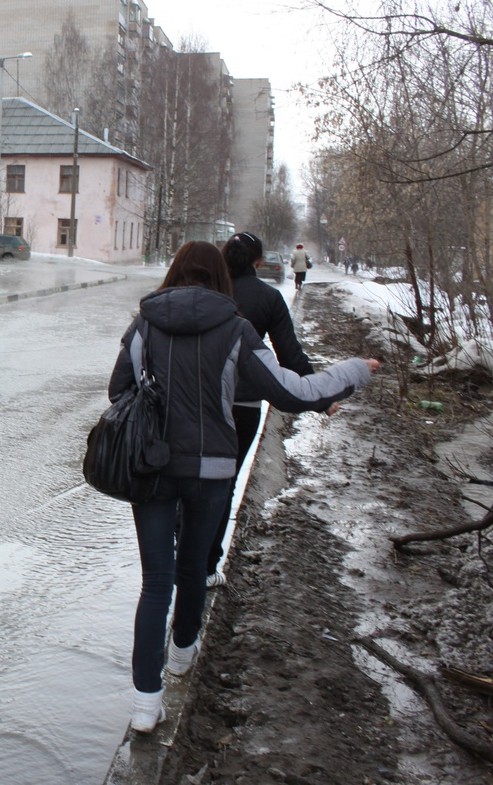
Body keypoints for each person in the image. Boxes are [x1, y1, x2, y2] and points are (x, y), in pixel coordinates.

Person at [109, 241, 379, 734]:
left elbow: (118, 392)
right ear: (222, 279)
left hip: (151, 471)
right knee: (192, 569)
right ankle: (183, 655)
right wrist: (352, 372)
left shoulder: (143, 325)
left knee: (154, 582)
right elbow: (290, 391)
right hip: (211, 471)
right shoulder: (237, 330)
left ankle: (146, 705)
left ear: (173, 271)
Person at [208, 233, 315, 588]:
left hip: (202, 399)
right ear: (257, 261)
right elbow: (290, 356)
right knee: (226, 478)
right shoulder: (269, 298)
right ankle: (208, 565)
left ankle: (185, 543)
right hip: (244, 405)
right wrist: (320, 390)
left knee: (193, 473)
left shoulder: (209, 291)